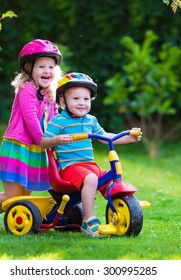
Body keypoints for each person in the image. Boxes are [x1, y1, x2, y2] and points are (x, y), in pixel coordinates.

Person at [0, 39, 64, 229]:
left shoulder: (50, 92)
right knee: (12, 195)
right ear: (29, 68)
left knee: (23, 196)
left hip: (36, 149)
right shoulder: (26, 89)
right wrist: (44, 140)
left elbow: (54, 120)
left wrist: (57, 139)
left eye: (51, 66)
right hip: (19, 145)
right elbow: (30, 119)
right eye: (41, 66)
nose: (47, 71)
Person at [40, 72, 142, 237]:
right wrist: (57, 139)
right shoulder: (58, 121)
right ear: (62, 101)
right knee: (92, 178)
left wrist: (128, 138)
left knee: (109, 182)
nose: (82, 103)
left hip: (89, 166)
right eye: (76, 99)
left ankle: (122, 209)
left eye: (86, 99)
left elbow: (106, 137)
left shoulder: (91, 120)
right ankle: (88, 219)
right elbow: (43, 142)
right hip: (69, 168)